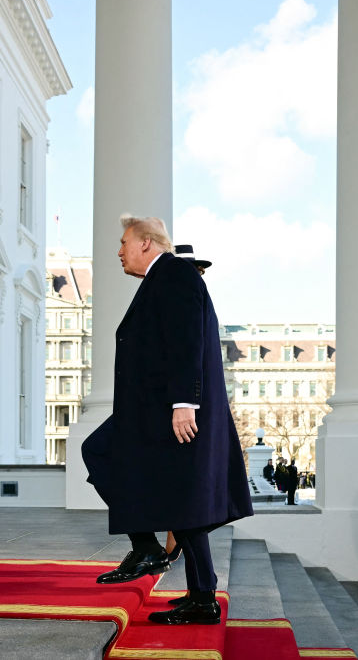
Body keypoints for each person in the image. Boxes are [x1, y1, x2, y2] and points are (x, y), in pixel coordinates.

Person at [81, 214, 253, 626]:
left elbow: (186, 339)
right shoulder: (165, 278)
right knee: (183, 501)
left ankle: (148, 549)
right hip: (158, 410)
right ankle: (201, 595)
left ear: (146, 243)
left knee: (100, 451)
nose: (118, 252)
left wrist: (183, 403)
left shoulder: (174, 273)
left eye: (124, 242)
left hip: (170, 411)